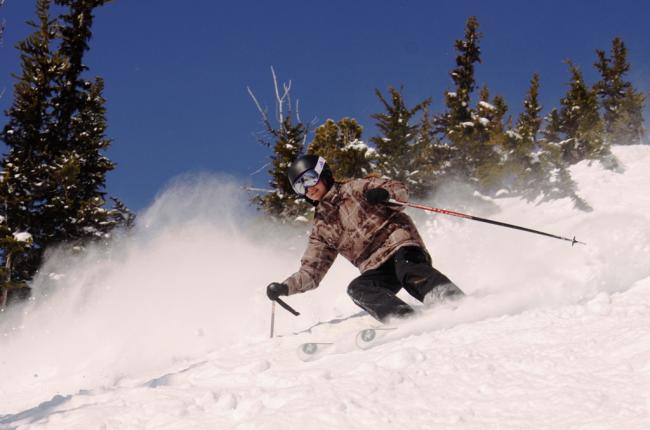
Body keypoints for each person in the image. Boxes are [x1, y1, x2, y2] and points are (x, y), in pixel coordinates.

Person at [266, 155, 463, 322]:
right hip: (375, 267)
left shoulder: (354, 189)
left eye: (309, 178)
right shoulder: (322, 227)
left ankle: (450, 298)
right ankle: (402, 318)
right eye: (300, 187)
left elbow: (399, 190)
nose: (308, 188)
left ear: (323, 173)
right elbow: (311, 271)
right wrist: (285, 287)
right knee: (358, 289)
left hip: (399, 245)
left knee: (408, 270)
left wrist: (385, 193)